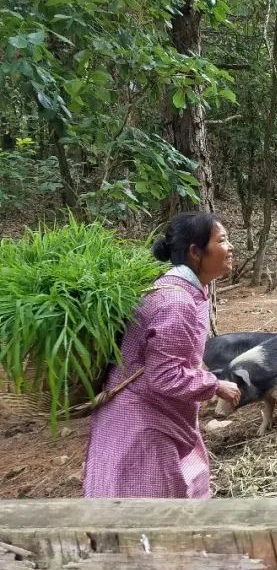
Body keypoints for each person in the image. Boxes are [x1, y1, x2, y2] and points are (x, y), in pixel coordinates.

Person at [83, 212, 241, 498]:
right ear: (195, 252)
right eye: (222, 240)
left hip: (155, 418)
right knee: (153, 518)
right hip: (141, 426)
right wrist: (214, 385)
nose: (230, 247)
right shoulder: (175, 302)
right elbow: (165, 376)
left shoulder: (186, 291)